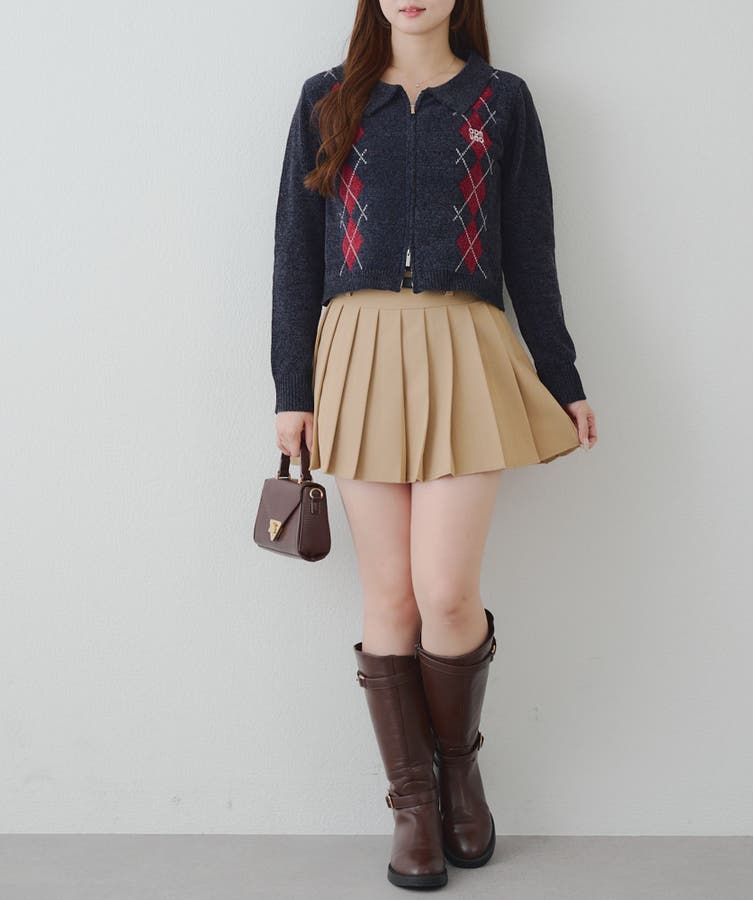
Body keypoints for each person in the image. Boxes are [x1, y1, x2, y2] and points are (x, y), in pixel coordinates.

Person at [270, 0, 598, 890]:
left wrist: (562, 375)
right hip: (357, 350)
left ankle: (460, 773)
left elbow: (530, 249)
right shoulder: (327, 99)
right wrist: (291, 391)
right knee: (390, 597)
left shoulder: (501, 100)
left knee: (447, 595)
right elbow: (296, 252)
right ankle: (413, 805)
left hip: (466, 347)